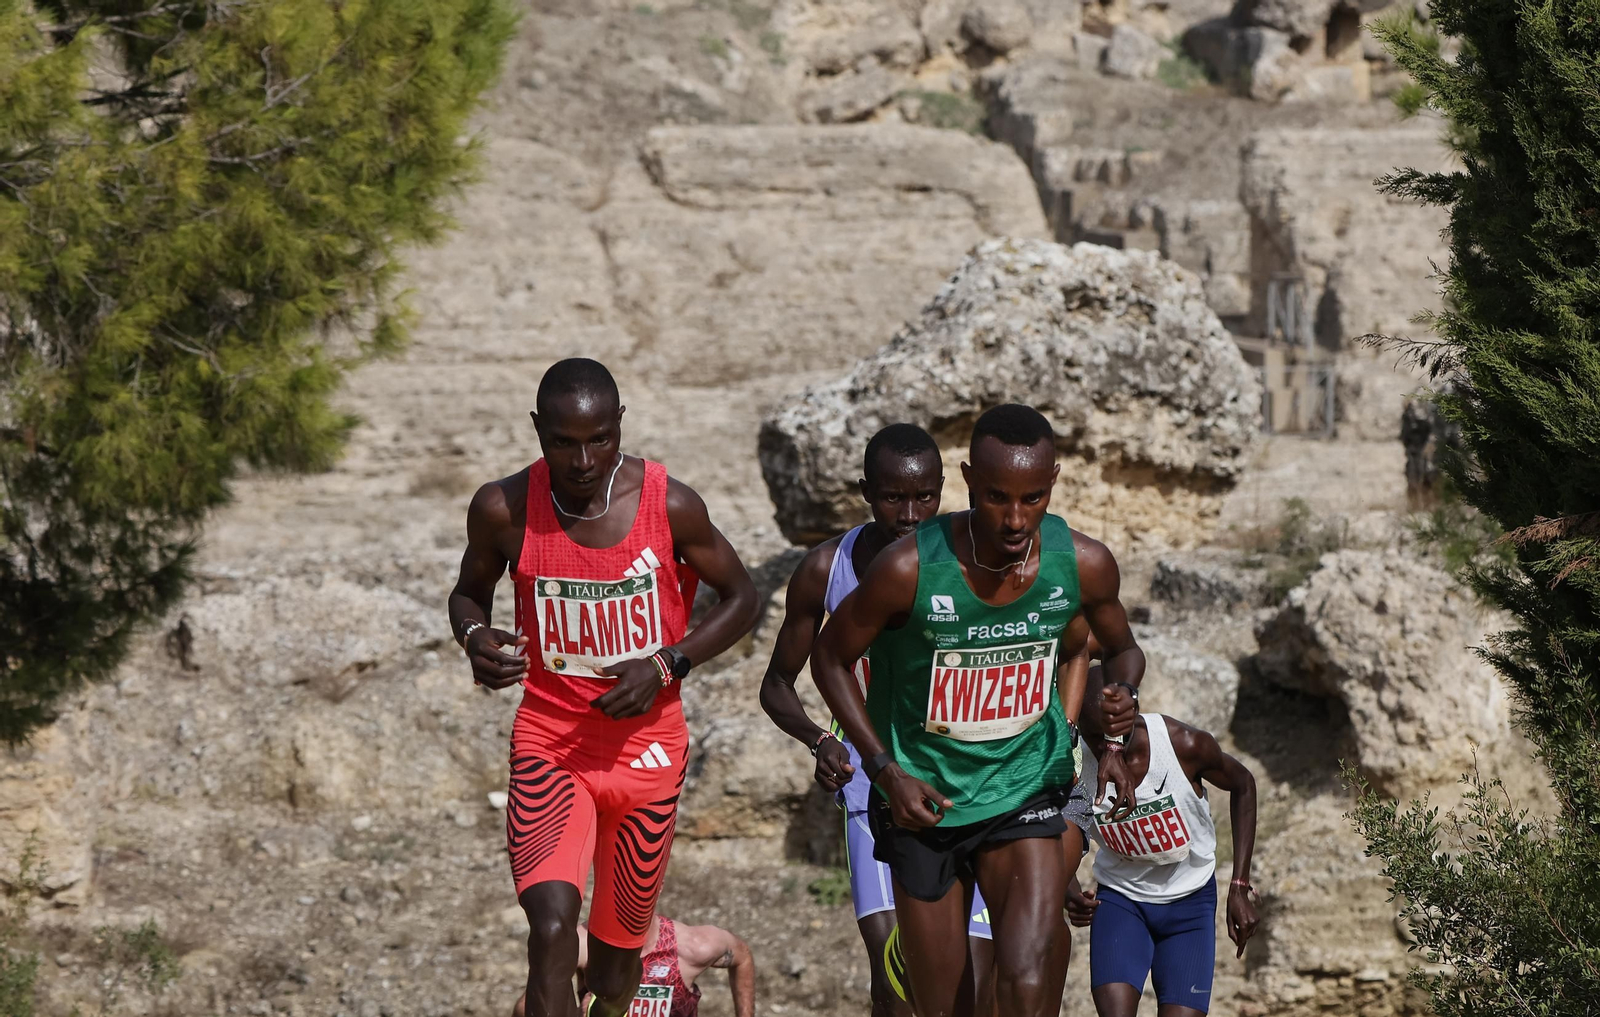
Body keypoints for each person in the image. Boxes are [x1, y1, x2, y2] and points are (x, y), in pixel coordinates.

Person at [447, 358, 760, 1017]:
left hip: (647, 755)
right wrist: (475, 637)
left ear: (620, 423)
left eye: (600, 439)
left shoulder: (670, 505)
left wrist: (667, 664)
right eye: (563, 442)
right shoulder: (503, 508)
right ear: (538, 429)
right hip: (551, 743)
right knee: (551, 929)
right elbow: (467, 594)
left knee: (615, 974)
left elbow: (742, 597)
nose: (584, 461)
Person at [811, 403, 1146, 1017]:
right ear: (967, 481)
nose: (1015, 519)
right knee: (943, 1007)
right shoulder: (908, 568)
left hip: (1024, 786)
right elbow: (829, 659)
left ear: (1053, 482)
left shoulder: (1082, 563)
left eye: (1033, 498)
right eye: (996, 497)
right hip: (924, 801)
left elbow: (1122, 650)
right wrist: (886, 771)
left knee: (1025, 978)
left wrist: (1119, 720)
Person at [758, 423, 998, 1017]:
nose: (910, 515)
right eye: (893, 497)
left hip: (965, 783)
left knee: (972, 982)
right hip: (873, 785)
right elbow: (777, 684)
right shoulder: (826, 569)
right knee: (894, 976)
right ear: (865, 491)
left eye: (925, 497)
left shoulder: (973, 559)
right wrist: (820, 739)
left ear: (945, 490)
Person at [1066, 662, 1260, 1017]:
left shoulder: (1183, 745)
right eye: (1090, 736)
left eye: (1108, 739)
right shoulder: (1074, 759)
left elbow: (1244, 784)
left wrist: (1239, 886)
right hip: (1122, 898)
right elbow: (1048, 818)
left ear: (1130, 717)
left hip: (1190, 903)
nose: (1100, 749)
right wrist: (1068, 885)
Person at [510, 915, 755, 1017]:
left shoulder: (691, 946)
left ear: (658, 887)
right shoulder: (584, 943)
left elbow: (742, 957)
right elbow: (526, 1007)